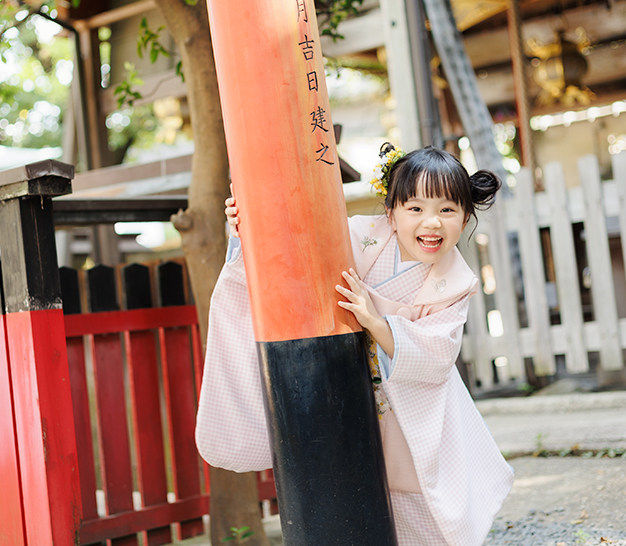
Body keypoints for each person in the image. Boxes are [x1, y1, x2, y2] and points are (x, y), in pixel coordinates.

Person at [195, 144, 514, 546]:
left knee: (422, 511)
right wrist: (247, 228)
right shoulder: (356, 236)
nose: (431, 223)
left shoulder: (457, 282)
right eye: (415, 208)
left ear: (466, 216)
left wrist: (377, 323)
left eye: (447, 210)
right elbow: (290, 247)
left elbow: (438, 352)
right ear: (391, 212)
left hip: (411, 412)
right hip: (341, 391)